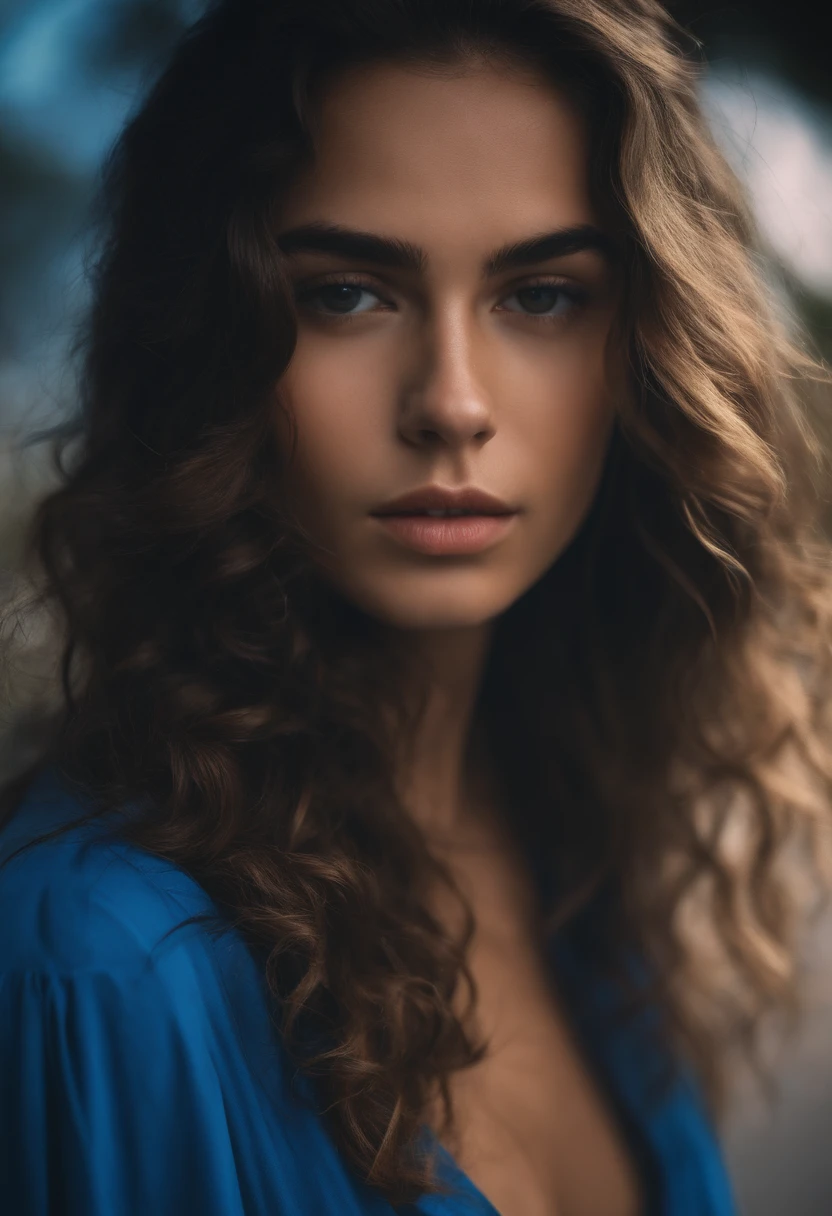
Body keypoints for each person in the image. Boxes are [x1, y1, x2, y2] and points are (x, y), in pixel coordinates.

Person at [1, 0, 830, 1213]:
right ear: (211, 343)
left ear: (644, 352)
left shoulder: (578, 863)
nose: (451, 403)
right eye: (348, 294)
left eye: (541, 295)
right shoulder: (95, 967)